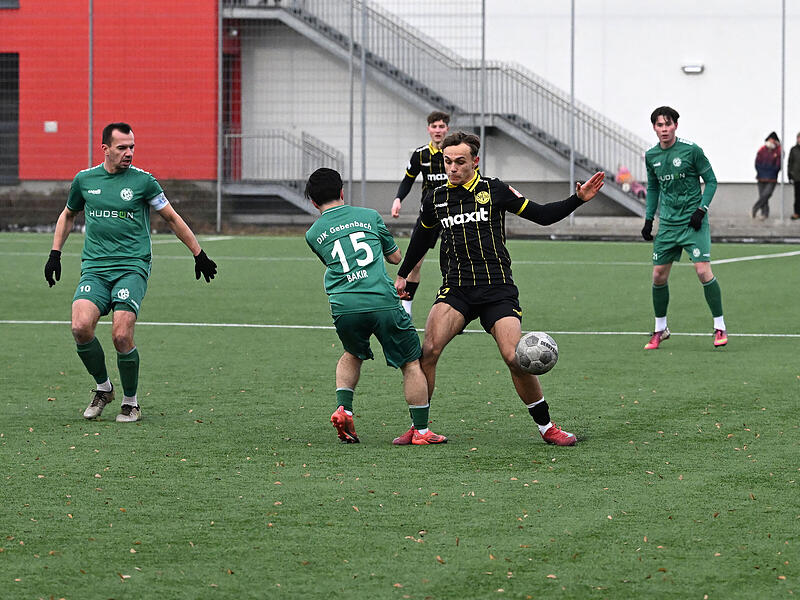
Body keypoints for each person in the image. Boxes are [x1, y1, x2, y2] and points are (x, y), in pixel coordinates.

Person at [393, 131, 606, 447]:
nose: (452, 168)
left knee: (515, 357)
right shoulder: (435, 198)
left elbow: (543, 215)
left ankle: (547, 427)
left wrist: (578, 199)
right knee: (428, 351)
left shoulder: (494, 190)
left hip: (497, 288)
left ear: (475, 161)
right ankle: (420, 429)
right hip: (456, 289)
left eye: (460, 162)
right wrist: (403, 274)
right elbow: (422, 239)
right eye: (447, 162)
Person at [44, 122, 218, 423]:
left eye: (132, 147)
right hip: (95, 269)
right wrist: (55, 253)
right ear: (105, 149)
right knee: (80, 327)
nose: (129, 153)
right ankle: (103, 388)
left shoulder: (143, 182)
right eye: (122, 147)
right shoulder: (85, 180)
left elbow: (172, 218)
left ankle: (131, 401)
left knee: (121, 334)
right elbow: (68, 214)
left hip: (131, 267)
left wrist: (198, 254)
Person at [304, 167, 447, 445]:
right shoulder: (369, 216)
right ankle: (420, 431)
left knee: (351, 353)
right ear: (342, 191)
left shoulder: (313, 233)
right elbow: (395, 258)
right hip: (380, 300)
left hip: (344, 304)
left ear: (312, 201)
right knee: (410, 362)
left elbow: (334, 261)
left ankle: (344, 408)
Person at [640, 106, 727, 350]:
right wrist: (649, 219)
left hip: (692, 222)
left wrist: (701, 210)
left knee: (702, 270)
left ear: (675, 126)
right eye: (659, 125)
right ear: (654, 128)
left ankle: (720, 326)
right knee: (658, 275)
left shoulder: (691, 150)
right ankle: (660, 329)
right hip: (668, 223)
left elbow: (711, 181)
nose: (664, 129)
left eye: (668, 124)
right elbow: (654, 188)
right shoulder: (651, 155)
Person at [390, 110, 450, 316]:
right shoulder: (420, 154)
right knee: (415, 262)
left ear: (447, 129)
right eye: (434, 126)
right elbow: (408, 179)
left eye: (441, 126)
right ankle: (407, 307)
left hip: (454, 214)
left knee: (454, 264)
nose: (438, 130)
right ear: (429, 129)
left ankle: (455, 311)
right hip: (430, 214)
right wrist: (398, 199)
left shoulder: (454, 153)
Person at [752, 131, 782, 220]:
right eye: (770, 139)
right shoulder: (762, 149)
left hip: (772, 178)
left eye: (773, 140)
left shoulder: (779, 150)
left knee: (766, 194)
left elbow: (778, 165)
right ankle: (764, 214)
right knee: (763, 196)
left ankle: (755, 208)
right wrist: (762, 171)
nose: (771, 141)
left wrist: (770, 171)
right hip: (761, 177)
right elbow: (757, 163)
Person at [787, 131, 800, 220]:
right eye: (799, 138)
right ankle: (797, 213)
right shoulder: (794, 149)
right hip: (797, 177)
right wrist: (790, 175)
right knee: (797, 196)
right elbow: (790, 162)